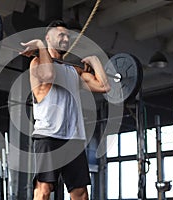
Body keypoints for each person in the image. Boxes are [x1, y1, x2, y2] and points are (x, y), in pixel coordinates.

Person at [20, 20, 110, 200]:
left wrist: (95, 60)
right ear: (48, 38)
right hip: (48, 135)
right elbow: (49, 75)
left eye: (68, 36)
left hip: (74, 138)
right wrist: (39, 45)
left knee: (81, 194)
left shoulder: (73, 71)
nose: (66, 38)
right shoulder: (37, 62)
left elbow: (104, 86)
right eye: (61, 35)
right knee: (44, 190)